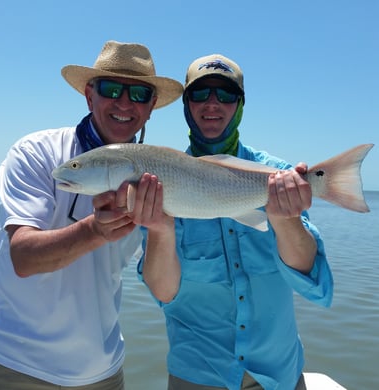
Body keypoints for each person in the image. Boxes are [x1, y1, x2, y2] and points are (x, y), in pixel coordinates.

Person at [0, 40, 183, 389]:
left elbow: (164, 291)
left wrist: (162, 230)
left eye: (139, 93)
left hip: (104, 373)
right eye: (111, 89)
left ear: (152, 106)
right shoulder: (39, 153)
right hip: (15, 365)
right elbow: (23, 257)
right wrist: (94, 230)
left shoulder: (161, 177)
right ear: (89, 94)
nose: (124, 103)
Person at [136, 54, 334, 390]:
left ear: (239, 104)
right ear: (186, 104)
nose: (212, 103)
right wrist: (159, 228)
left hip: (279, 375)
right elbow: (164, 292)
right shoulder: (159, 181)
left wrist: (284, 221)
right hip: (198, 375)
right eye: (201, 94)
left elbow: (312, 285)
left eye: (225, 95)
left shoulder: (277, 174)